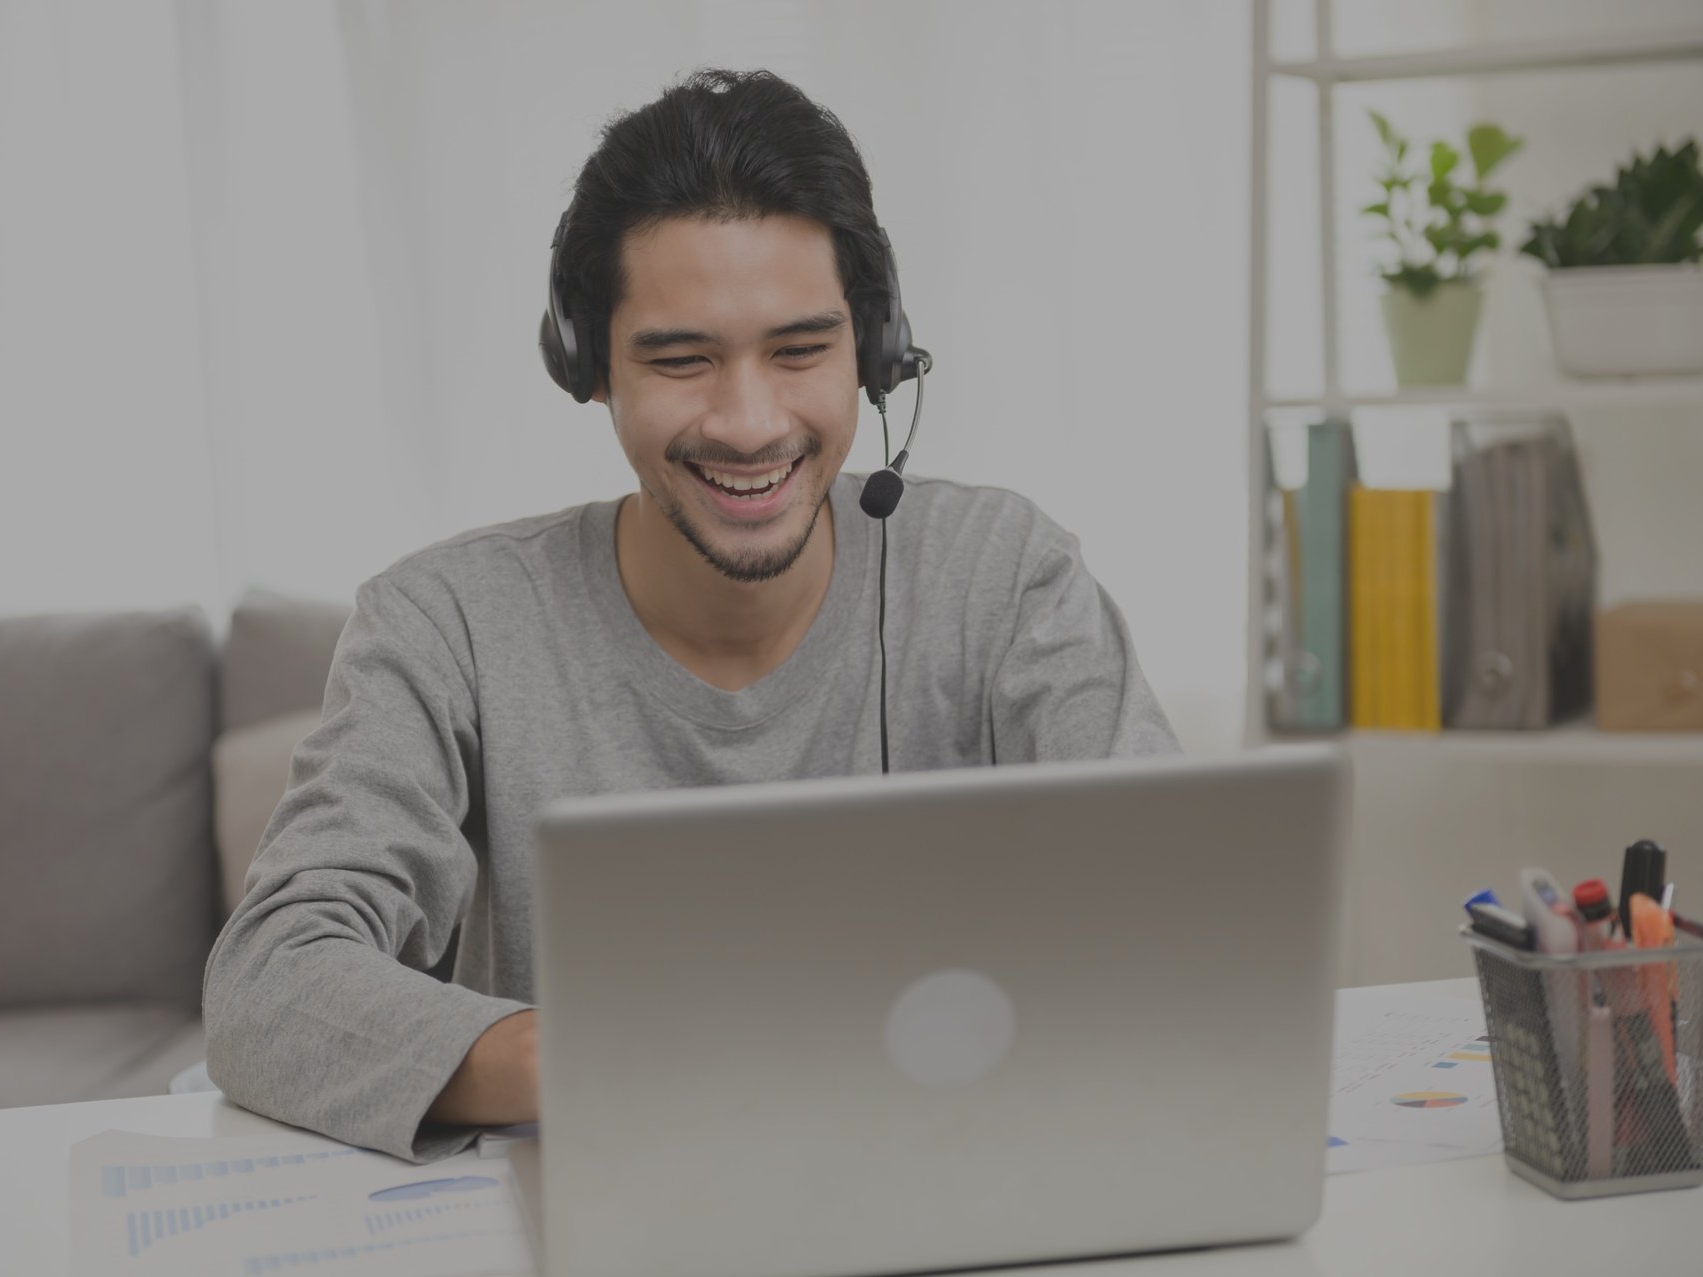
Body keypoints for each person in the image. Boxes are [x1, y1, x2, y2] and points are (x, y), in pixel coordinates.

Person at [202, 67, 1178, 1164]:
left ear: (877, 350)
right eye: (681, 359)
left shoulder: (1004, 578)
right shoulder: (445, 623)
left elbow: (1180, 915)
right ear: (590, 368)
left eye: (801, 350)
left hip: (960, 1176)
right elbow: (270, 983)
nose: (751, 421)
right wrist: (607, 1060)